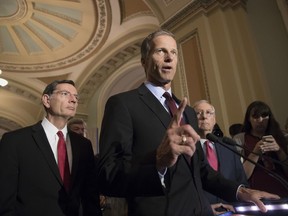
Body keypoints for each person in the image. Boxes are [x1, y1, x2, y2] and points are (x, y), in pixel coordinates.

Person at [97, 29, 279, 216]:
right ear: (144, 61)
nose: (169, 57)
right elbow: (108, 176)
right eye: (160, 51)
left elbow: (202, 171)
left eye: (173, 52)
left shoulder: (188, 112)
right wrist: (158, 162)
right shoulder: (123, 104)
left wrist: (240, 191)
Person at [0, 80, 102, 216]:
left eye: (76, 97)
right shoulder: (15, 141)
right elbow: (5, 199)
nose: (73, 100)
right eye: (65, 94)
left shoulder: (83, 145)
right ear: (47, 100)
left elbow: (90, 197)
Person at [193, 100, 248, 215]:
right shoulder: (186, 149)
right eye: (198, 113)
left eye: (209, 113)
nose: (204, 116)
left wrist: (239, 208)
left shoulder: (229, 147)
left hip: (231, 211)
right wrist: (203, 209)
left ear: (214, 120)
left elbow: (241, 181)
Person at [233, 100, 288, 197]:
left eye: (264, 116)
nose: (260, 120)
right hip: (257, 192)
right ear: (249, 119)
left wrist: (279, 151)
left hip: (283, 189)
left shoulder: (282, 136)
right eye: (255, 116)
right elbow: (242, 176)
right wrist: (255, 152)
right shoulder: (240, 139)